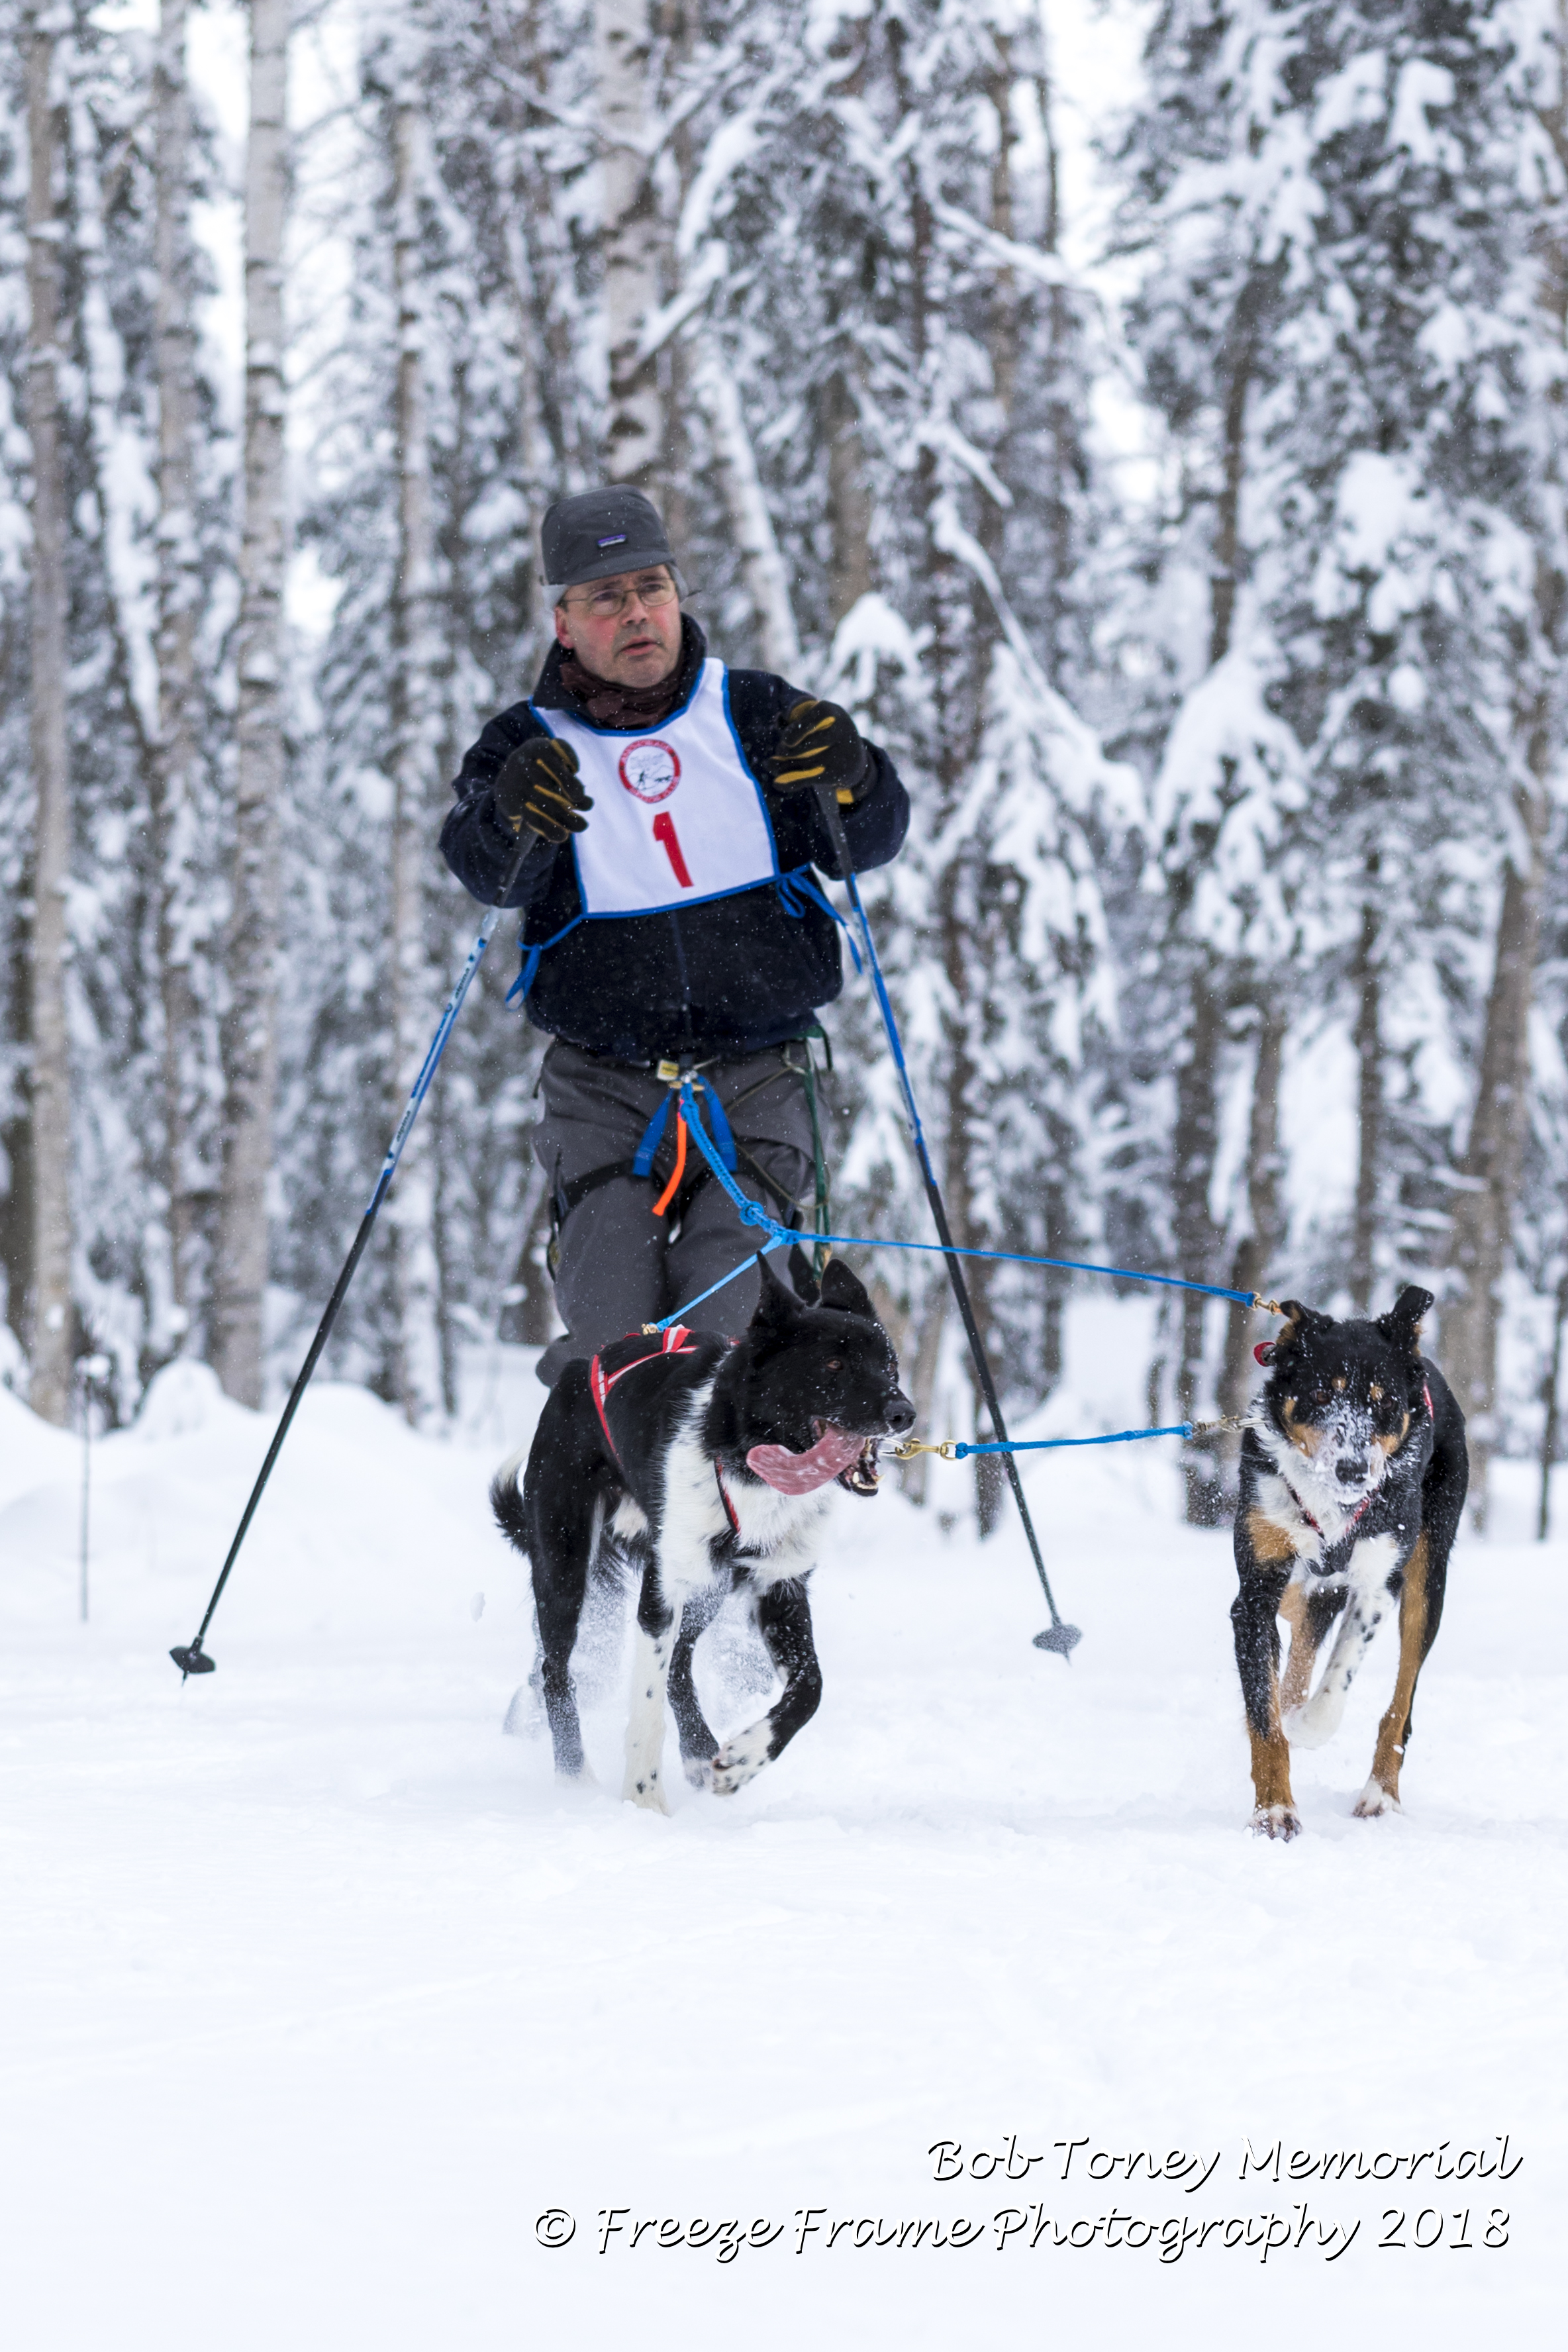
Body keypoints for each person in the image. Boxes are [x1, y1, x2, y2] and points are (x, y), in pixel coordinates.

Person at [441, 486, 910, 1386]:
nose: (637, 614)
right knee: (615, 1344)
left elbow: (870, 839)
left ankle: (720, 1521)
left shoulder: (758, 713)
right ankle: (610, 1505)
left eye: (652, 587)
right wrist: (508, 817)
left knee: (729, 1339)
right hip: (602, 1081)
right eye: (605, 598)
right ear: (564, 622)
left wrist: (855, 776)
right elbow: (483, 870)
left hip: (762, 1074)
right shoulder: (526, 742)